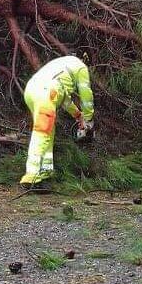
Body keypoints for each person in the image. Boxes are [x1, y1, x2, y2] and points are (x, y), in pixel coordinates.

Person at [20, 55, 95, 190]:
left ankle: (45, 172)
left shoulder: (63, 66)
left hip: (32, 90)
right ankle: (31, 174)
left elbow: (64, 98)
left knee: (48, 130)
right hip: (47, 92)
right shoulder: (80, 67)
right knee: (42, 132)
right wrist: (88, 119)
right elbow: (86, 95)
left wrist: (78, 115)